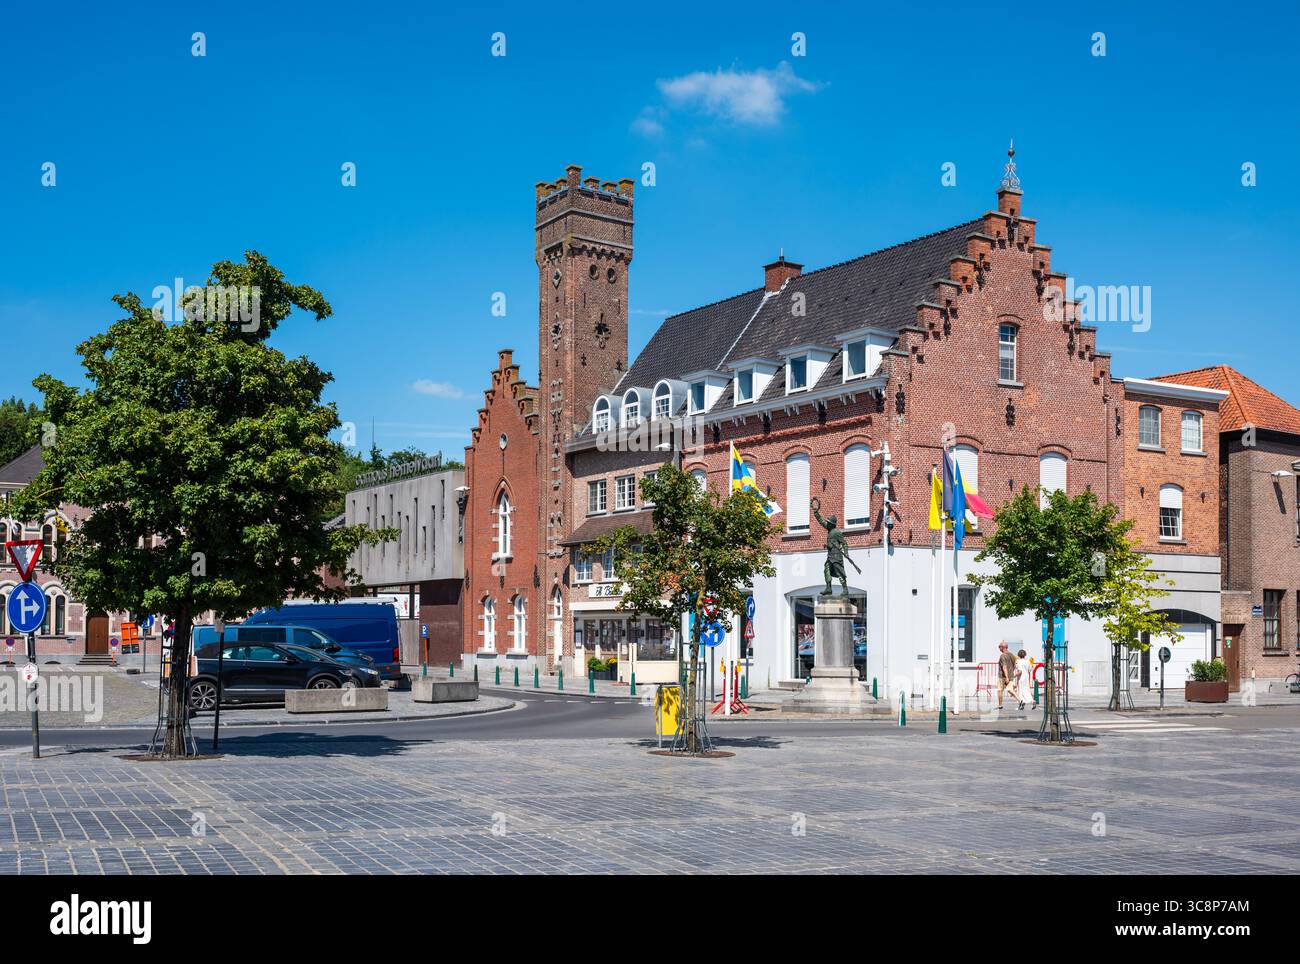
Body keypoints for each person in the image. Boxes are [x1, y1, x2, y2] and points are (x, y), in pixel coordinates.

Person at [996, 642, 1017, 709]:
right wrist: (1011, 674)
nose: (999, 648)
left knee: (1000, 690)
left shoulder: (1002, 656)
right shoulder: (1012, 655)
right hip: (1011, 675)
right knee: (1010, 690)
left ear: (1003, 647)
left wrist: (1006, 677)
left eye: (999, 647)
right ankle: (1020, 700)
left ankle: (1000, 705)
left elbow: (1004, 667)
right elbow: (1014, 665)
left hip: (1002, 676)